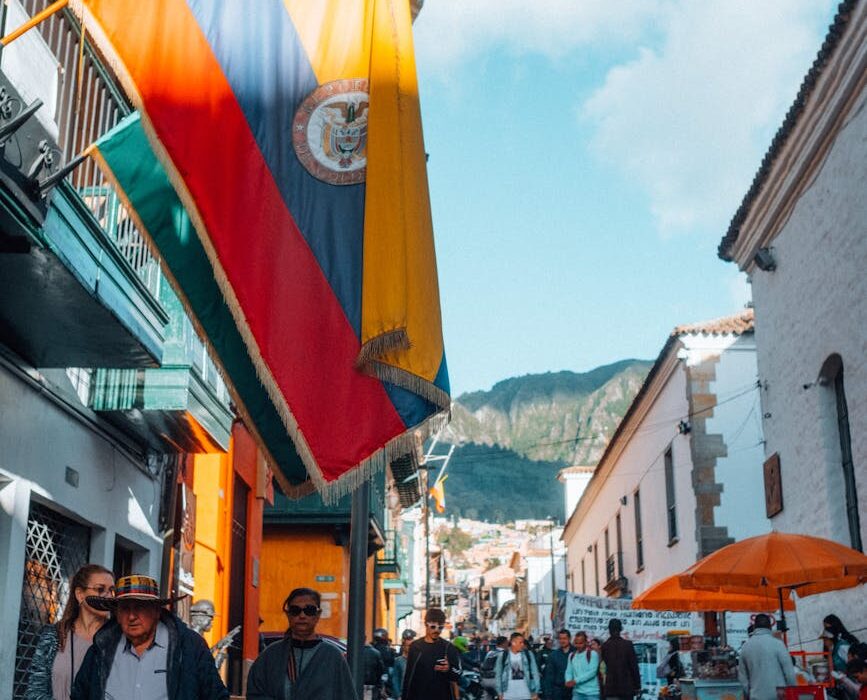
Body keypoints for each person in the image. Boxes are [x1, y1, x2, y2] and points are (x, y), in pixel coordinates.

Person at [71, 574, 227, 700]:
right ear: (117, 614)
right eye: (125, 608)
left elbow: (216, 695)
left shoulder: (189, 647)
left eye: (139, 607)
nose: (131, 616)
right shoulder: (101, 648)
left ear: (156, 612)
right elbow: (80, 694)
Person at [246, 587, 357, 699]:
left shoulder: (333, 657)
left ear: (318, 615)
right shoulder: (270, 656)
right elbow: (254, 694)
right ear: (288, 614)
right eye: (295, 610)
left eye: (309, 610)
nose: (302, 616)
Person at [25, 564, 115, 700]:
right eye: (100, 589)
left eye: (112, 591)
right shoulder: (53, 635)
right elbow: (35, 690)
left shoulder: (118, 639)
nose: (108, 596)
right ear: (80, 594)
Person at [403, 608, 462, 700]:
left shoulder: (448, 647)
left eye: (440, 627)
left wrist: (448, 669)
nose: (437, 631)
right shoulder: (416, 647)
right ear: (426, 625)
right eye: (433, 627)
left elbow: (457, 674)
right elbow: (409, 677)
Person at [737, 613, 796, 700]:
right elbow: (789, 673)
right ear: (770, 627)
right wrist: (792, 690)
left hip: (756, 696)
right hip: (778, 696)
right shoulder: (778, 644)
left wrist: (747, 694)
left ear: (754, 627)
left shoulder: (746, 646)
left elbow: (743, 678)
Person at [600, 619, 640, 700]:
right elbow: (634, 667)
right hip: (627, 687)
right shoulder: (628, 645)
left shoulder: (605, 646)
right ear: (620, 629)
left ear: (609, 630)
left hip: (611, 687)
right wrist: (637, 686)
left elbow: (603, 667)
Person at [494, 632, 541, 700]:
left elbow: (535, 673)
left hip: (526, 694)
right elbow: (498, 675)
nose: (523, 645)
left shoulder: (528, 654)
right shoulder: (503, 655)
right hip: (508, 695)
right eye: (520, 642)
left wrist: (536, 691)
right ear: (513, 642)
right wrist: (499, 693)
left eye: (523, 642)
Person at [565, 631, 600, 700]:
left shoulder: (593, 654)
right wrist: (568, 680)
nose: (578, 645)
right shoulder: (571, 655)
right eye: (576, 643)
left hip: (592, 693)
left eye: (580, 643)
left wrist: (575, 681)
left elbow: (592, 672)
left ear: (586, 643)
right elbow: (569, 671)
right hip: (577, 693)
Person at [541, 629, 573, 700]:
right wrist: (548, 695)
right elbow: (549, 676)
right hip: (558, 692)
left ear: (569, 639)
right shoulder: (553, 655)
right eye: (560, 639)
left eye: (564, 638)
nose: (562, 641)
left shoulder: (576, 653)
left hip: (573, 691)